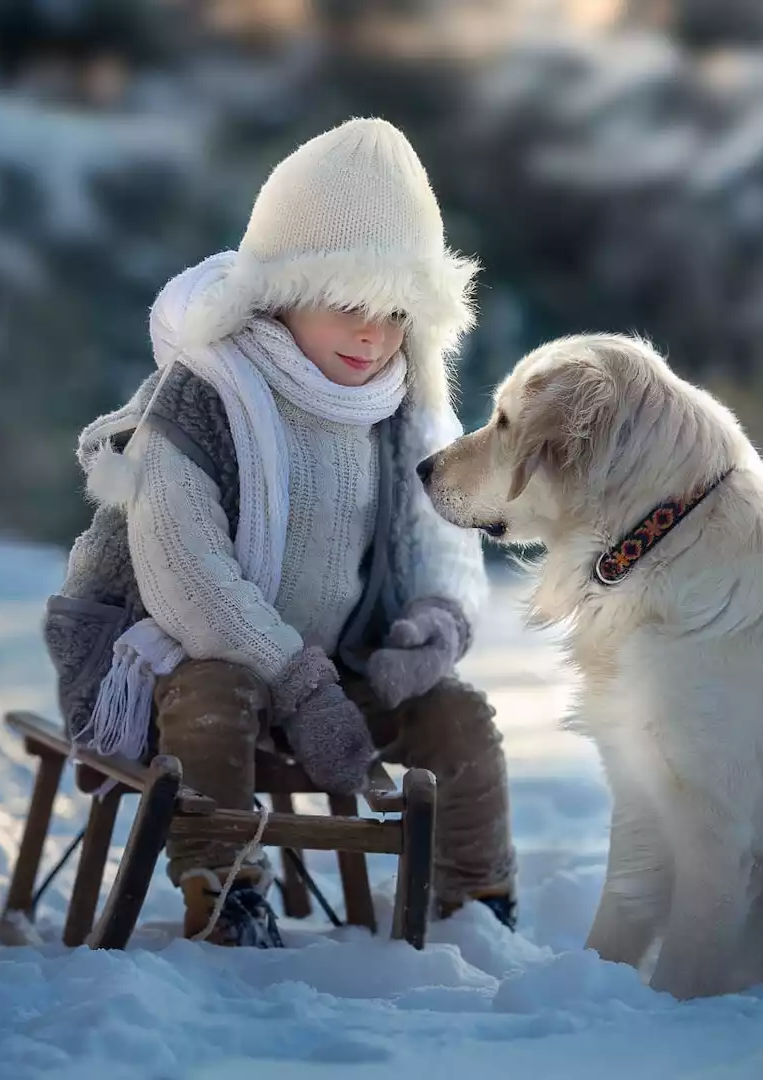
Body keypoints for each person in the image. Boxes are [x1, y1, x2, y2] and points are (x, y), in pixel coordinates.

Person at [46, 117, 514, 946]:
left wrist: (434, 624)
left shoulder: (405, 407)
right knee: (213, 697)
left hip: (341, 665)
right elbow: (187, 575)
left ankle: (478, 901)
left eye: (397, 311)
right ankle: (225, 886)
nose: (374, 335)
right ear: (279, 292)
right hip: (197, 659)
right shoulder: (206, 396)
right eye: (347, 306)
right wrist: (297, 683)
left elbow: (442, 535)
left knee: (457, 714)